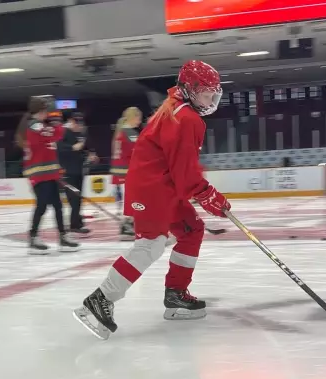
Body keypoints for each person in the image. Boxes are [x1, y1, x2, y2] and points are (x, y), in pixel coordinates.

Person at [73, 60, 229, 340]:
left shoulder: (175, 107)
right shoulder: (187, 118)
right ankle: (100, 300)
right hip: (152, 188)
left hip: (164, 187)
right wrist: (207, 195)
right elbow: (185, 170)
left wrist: (203, 193)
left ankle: (177, 295)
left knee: (191, 230)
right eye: (206, 92)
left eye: (213, 92)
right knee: (151, 244)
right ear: (190, 89)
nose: (211, 98)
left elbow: (180, 168)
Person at [15, 97, 80, 254]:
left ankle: (63, 237)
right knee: (42, 204)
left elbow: (53, 136)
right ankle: (33, 237)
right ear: (40, 111)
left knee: (58, 205)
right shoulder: (35, 125)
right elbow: (53, 134)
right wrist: (64, 126)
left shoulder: (40, 125)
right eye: (46, 111)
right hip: (38, 174)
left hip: (49, 173)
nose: (48, 114)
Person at [57, 111, 94, 235]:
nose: (80, 126)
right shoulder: (63, 132)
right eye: (77, 123)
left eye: (81, 123)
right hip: (68, 171)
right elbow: (59, 148)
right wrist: (73, 147)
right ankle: (75, 224)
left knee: (78, 199)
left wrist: (90, 154)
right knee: (73, 199)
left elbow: (83, 148)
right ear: (71, 121)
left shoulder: (78, 133)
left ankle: (77, 223)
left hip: (78, 170)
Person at [110, 106, 143, 241]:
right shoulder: (129, 132)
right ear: (132, 117)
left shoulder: (120, 132)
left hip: (119, 171)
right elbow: (139, 152)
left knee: (128, 199)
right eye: (138, 118)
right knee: (131, 199)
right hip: (126, 171)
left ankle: (127, 224)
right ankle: (127, 225)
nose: (139, 121)